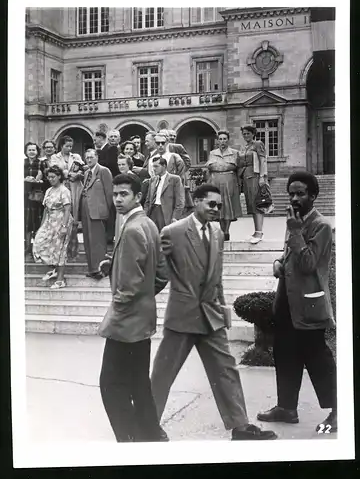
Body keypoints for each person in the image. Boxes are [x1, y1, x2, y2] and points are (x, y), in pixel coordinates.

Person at [150, 184, 277, 441]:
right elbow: (158, 273)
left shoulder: (217, 233)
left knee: (226, 369)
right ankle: (146, 425)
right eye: (211, 204)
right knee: (163, 374)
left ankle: (240, 426)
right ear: (196, 201)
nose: (216, 209)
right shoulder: (172, 232)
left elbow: (216, 277)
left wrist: (222, 310)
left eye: (219, 205)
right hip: (182, 316)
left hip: (210, 315)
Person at [257, 171, 337, 433]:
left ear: (313, 196)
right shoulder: (295, 220)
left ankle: (339, 411)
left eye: (300, 193)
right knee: (285, 353)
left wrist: (295, 231)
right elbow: (289, 256)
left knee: (317, 358)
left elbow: (308, 264)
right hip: (287, 300)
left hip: (309, 304)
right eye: (291, 193)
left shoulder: (321, 225)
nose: (294, 198)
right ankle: (286, 407)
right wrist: (278, 263)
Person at [98, 173, 169, 442]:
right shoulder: (148, 224)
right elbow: (160, 273)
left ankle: (127, 439)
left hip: (125, 324)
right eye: (115, 194)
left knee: (111, 384)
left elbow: (127, 289)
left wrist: (122, 307)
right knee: (139, 381)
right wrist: (114, 267)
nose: (117, 199)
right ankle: (151, 434)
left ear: (138, 196)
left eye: (123, 194)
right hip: (143, 319)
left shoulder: (130, 229)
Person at [32, 165, 73, 289]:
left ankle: (60, 280)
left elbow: (67, 209)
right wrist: (41, 226)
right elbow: (46, 209)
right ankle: (53, 269)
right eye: (49, 177)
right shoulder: (49, 190)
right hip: (50, 220)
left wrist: (64, 226)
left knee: (60, 250)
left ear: (59, 176)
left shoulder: (64, 190)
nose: (51, 179)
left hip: (62, 220)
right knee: (39, 243)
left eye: (53, 177)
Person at [79, 149, 113, 280]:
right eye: (87, 157)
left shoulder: (104, 171)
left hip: (98, 212)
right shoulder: (87, 172)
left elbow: (109, 193)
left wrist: (105, 211)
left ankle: (99, 269)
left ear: (97, 157)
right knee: (88, 240)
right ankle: (92, 268)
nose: (89, 160)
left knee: (98, 241)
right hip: (86, 209)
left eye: (91, 157)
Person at [206, 130, 242, 241]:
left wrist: (239, 183)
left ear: (228, 140)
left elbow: (238, 168)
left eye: (225, 139)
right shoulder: (213, 153)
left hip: (229, 182)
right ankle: (222, 231)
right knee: (219, 206)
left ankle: (227, 231)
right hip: (216, 181)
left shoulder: (235, 153)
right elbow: (210, 168)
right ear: (218, 140)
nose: (222, 141)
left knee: (228, 206)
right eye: (220, 139)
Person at [239, 124, 268, 244]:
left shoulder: (257, 144)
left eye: (248, 133)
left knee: (257, 204)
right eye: (244, 134)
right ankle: (256, 231)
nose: (246, 135)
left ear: (253, 134)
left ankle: (259, 232)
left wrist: (262, 177)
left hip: (255, 176)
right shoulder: (245, 147)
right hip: (246, 177)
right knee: (251, 205)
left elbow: (263, 160)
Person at [50, 135, 85, 226]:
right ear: (61, 146)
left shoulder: (76, 156)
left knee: (75, 208)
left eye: (71, 146)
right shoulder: (55, 157)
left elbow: (83, 168)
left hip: (75, 186)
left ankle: (74, 233)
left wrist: (77, 174)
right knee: (63, 207)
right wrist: (69, 174)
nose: (69, 148)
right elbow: (55, 170)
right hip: (62, 185)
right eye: (67, 146)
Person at [144, 157, 185, 232]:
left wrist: (175, 218)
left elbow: (180, 202)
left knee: (164, 237)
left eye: (156, 166)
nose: (154, 169)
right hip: (152, 212)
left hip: (165, 213)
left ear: (164, 166)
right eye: (153, 166)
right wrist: (144, 215)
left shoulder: (174, 179)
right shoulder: (152, 180)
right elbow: (147, 200)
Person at [99, 129, 121, 245]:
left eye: (115, 137)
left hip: (113, 182)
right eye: (111, 137)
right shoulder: (110, 149)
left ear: (119, 139)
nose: (113, 139)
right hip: (113, 182)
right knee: (112, 209)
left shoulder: (117, 149)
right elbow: (111, 165)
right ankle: (110, 235)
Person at [24, 142, 44, 256]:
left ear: (37, 152)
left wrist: (38, 180)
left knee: (37, 222)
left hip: (36, 197)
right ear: (26, 151)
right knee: (26, 223)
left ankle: (36, 248)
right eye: (29, 150)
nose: (32, 152)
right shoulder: (22, 163)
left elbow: (46, 178)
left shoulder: (41, 163)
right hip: (24, 196)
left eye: (34, 150)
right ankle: (27, 247)